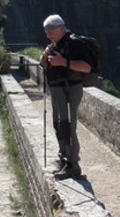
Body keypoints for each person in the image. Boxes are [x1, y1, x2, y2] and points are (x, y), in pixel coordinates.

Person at [39, 14, 92, 180]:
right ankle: (64, 157)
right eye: (46, 32)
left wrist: (64, 62)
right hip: (57, 91)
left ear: (61, 29)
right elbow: (42, 63)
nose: (48, 35)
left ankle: (73, 165)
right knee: (58, 125)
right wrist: (45, 53)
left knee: (68, 126)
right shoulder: (56, 44)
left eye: (50, 32)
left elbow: (87, 67)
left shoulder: (74, 43)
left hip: (70, 91)